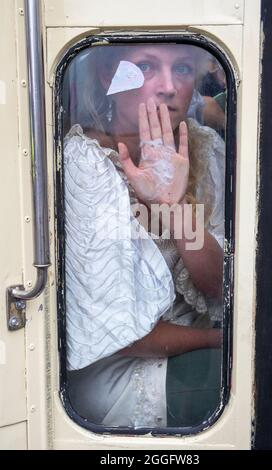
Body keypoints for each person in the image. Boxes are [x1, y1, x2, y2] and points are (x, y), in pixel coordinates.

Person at [63, 44, 225, 428]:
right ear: (108, 77)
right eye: (146, 66)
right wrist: (224, 343)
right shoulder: (86, 163)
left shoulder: (202, 146)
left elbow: (220, 285)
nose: (168, 86)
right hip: (120, 370)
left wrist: (174, 207)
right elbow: (126, 336)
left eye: (183, 68)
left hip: (195, 343)